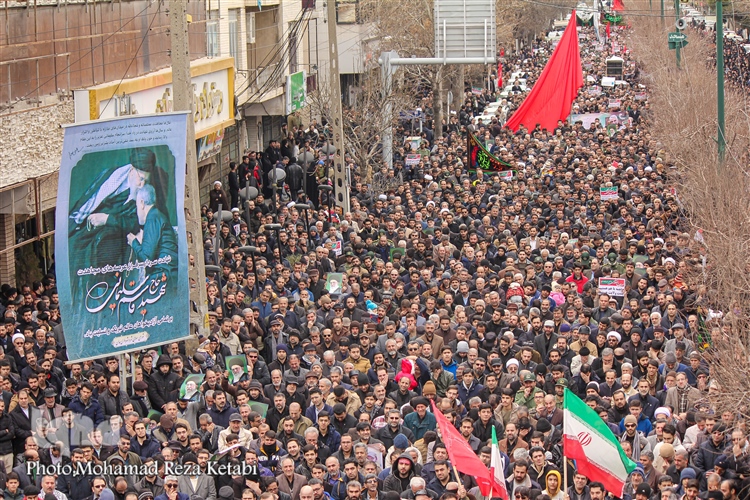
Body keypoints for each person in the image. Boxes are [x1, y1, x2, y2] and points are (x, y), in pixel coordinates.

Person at [127, 184, 179, 279]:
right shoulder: (157, 216)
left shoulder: (152, 218)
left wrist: (134, 242)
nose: (136, 211)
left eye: (137, 206)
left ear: (142, 203)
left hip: (164, 274)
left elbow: (147, 260)